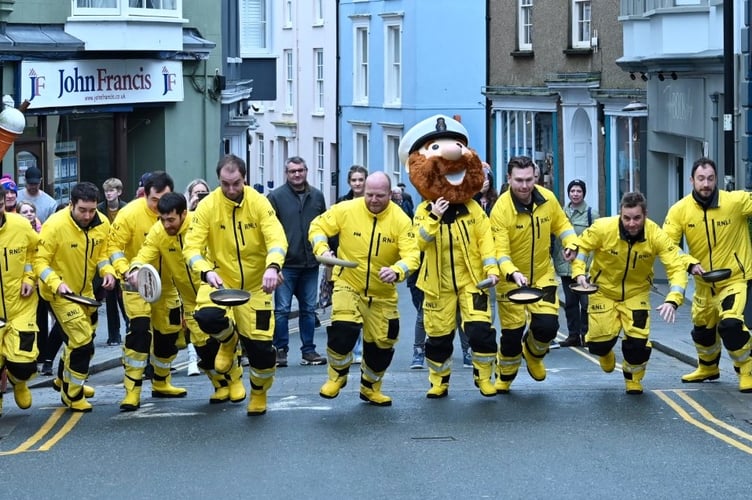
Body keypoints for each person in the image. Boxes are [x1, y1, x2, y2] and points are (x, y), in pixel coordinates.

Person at [183, 154, 288, 417]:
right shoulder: (208, 206)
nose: (231, 189)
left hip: (257, 286)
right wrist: (205, 271)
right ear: (218, 180)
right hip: (220, 280)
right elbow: (192, 247)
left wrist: (273, 266)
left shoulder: (259, 203)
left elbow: (276, 237)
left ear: (245, 178)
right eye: (225, 184)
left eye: (236, 183)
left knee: (262, 352)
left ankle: (259, 393)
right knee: (205, 316)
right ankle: (228, 342)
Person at [570, 191, 700, 394]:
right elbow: (583, 247)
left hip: (636, 294)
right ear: (620, 214)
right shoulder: (603, 228)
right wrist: (579, 273)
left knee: (638, 345)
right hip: (603, 291)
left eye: (637, 218)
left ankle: (633, 379)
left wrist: (673, 300)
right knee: (597, 344)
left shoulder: (655, 234)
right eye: (627, 218)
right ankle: (605, 354)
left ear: (645, 214)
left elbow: (675, 266)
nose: (631, 224)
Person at [309, 172, 420, 406]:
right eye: (369, 194)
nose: (373, 200)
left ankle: (370, 388)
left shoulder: (400, 220)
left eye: (380, 195)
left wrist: (398, 270)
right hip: (348, 283)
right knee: (343, 330)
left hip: (382, 291)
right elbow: (317, 225)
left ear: (390, 194)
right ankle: (336, 376)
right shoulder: (346, 209)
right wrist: (322, 248)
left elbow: (412, 255)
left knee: (382, 344)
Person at [128, 192, 246, 404]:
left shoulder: (200, 224)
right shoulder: (158, 232)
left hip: (210, 288)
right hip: (188, 299)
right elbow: (144, 254)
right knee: (202, 346)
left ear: (184, 213)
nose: (166, 224)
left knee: (215, 333)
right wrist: (136, 270)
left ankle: (235, 380)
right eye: (162, 219)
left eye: (171, 219)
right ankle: (220, 384)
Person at [489, 156, 577, 393]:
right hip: (511, 280)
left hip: (542, 274)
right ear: (509, 179)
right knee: (511, 334)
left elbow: (563, 225)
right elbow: (500, 252)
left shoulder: (548, 198)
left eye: (529, 179)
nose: (525, 186)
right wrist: (512, 273)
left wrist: (570, 242)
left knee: (548, 326)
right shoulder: (500, 210)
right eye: (519, 180)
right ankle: (505, 376)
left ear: (535, 177)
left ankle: (533, 354)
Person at [663, 157, 752, 392]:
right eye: (701, 179)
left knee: (731, 324)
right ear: (692, 180)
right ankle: (708, 367)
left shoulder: (735, 202)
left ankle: (747, 369)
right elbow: (666, 245)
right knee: (702, 330)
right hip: (703, 283)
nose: (706, 184)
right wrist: (689, 263)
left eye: (710, 179)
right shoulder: (679, 210)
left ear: (716, 180)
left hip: (733, 279)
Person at [108, 171, 187, 411]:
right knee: (139, 334)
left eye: (164, 198)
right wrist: (124, 270)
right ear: (145, 194)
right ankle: (132, 390)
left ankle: (162, 382)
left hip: (168, 287)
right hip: (136, 286)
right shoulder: (129, 214)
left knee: (167, 335)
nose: (159, 205)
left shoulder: (179, 214)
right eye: (154, 200)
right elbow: (113, 246)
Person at [34, 182, 116, 411]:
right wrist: (56, 283)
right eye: (82, 210)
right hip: (58, 294)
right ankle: (72, 394)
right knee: (81, 341)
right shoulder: (54, 225)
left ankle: (64, 379)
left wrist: (108, 272)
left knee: (82, 340)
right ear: (71, 204)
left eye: (92, 210)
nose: (88, 215)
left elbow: (102, 255)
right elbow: (39, 262)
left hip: (85, 293)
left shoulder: (102, 223)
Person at [268, 156, 327, 367]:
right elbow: (268, 231)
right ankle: (280, 350)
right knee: (282, 310)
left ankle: (308, 351)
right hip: (286, 264)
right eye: (292, 171)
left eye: (300, 170)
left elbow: (325, 226)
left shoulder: (317, 197)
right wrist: (272, 264)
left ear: (306, 171)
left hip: (311, 264)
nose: (297, 174)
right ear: (286, 173)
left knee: (309, 310)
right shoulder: (275, 197)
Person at [0, 185, 41, 416]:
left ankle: (19, 381)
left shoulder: (20, 225)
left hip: (21, 304)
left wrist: (29, 276)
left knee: (24, 364)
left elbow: (35, 252)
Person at [329, 164, 369, 363]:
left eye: (361, 180)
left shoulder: (373, 202)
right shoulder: (341, 203)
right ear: (349, 182)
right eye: (354, 180)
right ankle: (355, 351)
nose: (357, 183)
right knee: (348, 311)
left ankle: (364, 349)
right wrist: (334, 253)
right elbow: (333, 231)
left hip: (368, 263)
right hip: (346, 263)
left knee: (365, 311)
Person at [553, 179, 599, 347]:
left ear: (583, 193)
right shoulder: (560, 213)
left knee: (586, 303)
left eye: (579, 191)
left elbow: (597, 240)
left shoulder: (591, 214)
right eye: (572, 191)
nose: (575, 194)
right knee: (571, 303)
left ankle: (586, 334)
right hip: (565, 267)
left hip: (585, 267)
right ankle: (573, 335)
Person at [97, 178, 128, 346]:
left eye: (112, 190)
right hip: (106, 259)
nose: (109, 193)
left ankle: (130, 325)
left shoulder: (127, 209)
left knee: (124, 296)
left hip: (122, 257)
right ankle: (113, 334)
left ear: (119, 192)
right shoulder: (99, 209)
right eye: (107, 191)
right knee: (110, 298)